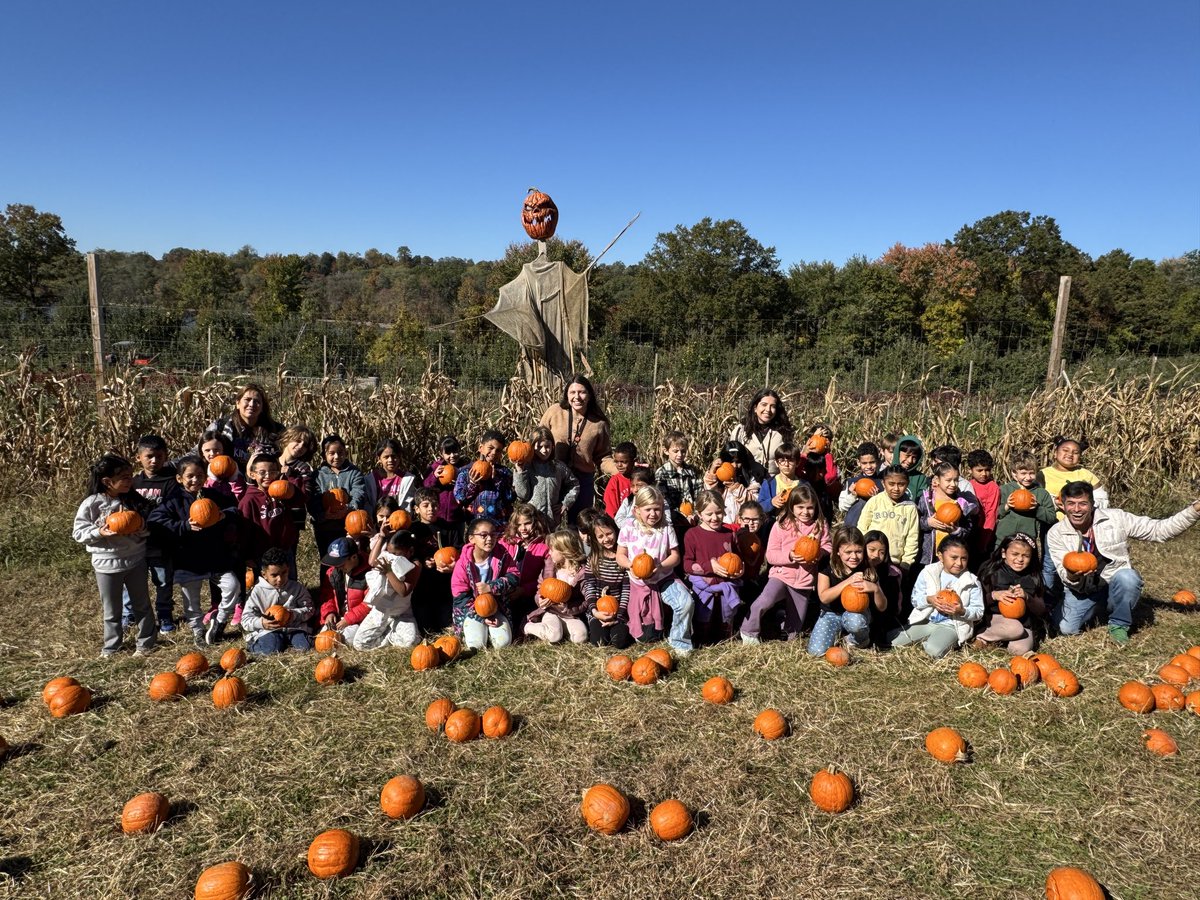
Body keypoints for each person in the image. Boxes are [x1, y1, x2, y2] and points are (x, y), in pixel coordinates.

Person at [1047, 481, 1200, 644]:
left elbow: (1159, 530)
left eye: (1083, 504)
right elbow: (1064, 575)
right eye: (1071, 504)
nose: (1076, 510)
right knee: (1066, 629)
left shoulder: (1115, 518)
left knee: (1129, 578)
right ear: (1063, 505)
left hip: (1114, 580)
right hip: (1081, 590)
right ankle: (1103, 609)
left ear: (1092, 504)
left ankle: (1119, 623)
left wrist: (1195, 510)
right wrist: (1072, 574)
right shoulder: (1056, 533)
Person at [147, 455, 241, 647]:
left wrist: (225, 514)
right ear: (179, 478)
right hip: (188, 559)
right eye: (190, 476)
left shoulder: (212, 495)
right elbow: (155, 521)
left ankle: (220, 620)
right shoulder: (173, 500)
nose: (195, 480)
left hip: (215, 555)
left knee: (233, 586)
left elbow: (235, 509)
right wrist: (184, 526)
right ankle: (198, 630)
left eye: (199, 475)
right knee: (192, 601)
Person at [73, 454, 156, 658]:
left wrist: (140, 528)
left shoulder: (132, 500)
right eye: (125, 477)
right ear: (107, 481)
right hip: (106, 565)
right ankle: (111, 646)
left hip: (135, 559)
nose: (130, 480)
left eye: (130, 476)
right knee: (112, 610)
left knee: (142, 604)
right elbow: (78, 533)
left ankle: (146, 642)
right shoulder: (91, 504)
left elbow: (147, 529)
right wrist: (98, 532)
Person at [739, 484, 830, 644]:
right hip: (780, 575)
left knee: (794, 629)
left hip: (804, 580)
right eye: (800, 507)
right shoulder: (781, 524)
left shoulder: (820, 525)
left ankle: (784, 625)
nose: (805, 512)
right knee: (764, 601)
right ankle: (749, 630)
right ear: (791, 506)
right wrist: (790, 556)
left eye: (810, 508)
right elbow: (771, 555)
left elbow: (827, 545)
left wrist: (820, 553)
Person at [616, 485, 695, 653]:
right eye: (648, 509)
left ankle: (679, 640)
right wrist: (631, 565)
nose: (653, 514)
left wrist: (660, 566)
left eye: (657, 509)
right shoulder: (629, 527)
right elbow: (620, 555)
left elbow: (675, 556)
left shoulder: (666, 527)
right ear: (637, 509)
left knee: (686, 602)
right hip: (639, 583)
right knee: (647, 637)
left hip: (663, 578)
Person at [1039, 435, 1109, 597]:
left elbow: (1101, 499)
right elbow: (1038, 497)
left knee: (1079, 562)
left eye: (1075, 452)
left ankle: (1076, 593)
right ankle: (1048, 597)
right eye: (1065, 450)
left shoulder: (1086, 474)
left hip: (1082, 528)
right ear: (1055, 453)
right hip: (1054, 526)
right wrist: (1054, 502)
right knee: (1050, 563)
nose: (1070, 454)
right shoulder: (1044, 474)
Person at [890, 537, 982, 659]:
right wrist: (929, 600)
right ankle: (927, 637)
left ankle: (936, 641)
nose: (959, 563)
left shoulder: (971, 581)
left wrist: (962, 611)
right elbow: (915, 599)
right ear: (940, 556)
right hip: (927, 620)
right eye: (954, 558)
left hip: (952, 626)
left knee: (934, 651)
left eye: (963, 558)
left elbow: (979, 611)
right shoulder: (928, 573)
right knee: (893, 642)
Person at [540, 375, 613, 524]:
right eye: (572, 392)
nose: (577, 397)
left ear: (590, 395)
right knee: (548, 523)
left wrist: (621, 470)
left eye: (582, 392)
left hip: (582, 479)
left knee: (581, 526)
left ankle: (580, 547)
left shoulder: (599, 423)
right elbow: (538, 439)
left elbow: (603, 457)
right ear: (566, 394)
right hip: (553, 476)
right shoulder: (554, 412)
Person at [808, 526, 883, 655]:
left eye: (858, 551)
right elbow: (824, 597)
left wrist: (875, 589)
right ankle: (838, 635)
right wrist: (848, 581)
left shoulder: (867, 567)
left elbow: (882, 607)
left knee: (856, 622)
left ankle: (856, 641)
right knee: (816, 652)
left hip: (857, 614)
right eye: (848, 552)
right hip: (830, 614)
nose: (854, 556)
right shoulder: (827, 564)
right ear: (837, 551)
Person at [131, 434, 178, 632]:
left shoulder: (170, 482)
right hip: (136, 543)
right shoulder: (133, 483)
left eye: (159, 456)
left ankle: (165, 614)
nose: (154, 460)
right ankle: (130, 614)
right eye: (149, 456)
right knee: (133, 582)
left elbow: (172, 509)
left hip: (161, 542)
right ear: (138, 457)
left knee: (163, 581)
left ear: (166, 456)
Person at [450, 517, 519, 650]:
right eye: (483, 535)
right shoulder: (463, 563)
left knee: (503, 643)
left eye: (493, 534)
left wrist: (492, 587)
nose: (489, 539)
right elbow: (460, 597)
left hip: (497, 606)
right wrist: (481, 617)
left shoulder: (502, 555)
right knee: (475, 645)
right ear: (471, 539)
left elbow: (514, 576)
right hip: (471, 610)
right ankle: (479, 629)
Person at [682, 490, 741, 643]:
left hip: (725, 584)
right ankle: (702, 638)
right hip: (704, 587)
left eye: (719, 513)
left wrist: (740, 570)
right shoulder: (692, 534)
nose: (715, 518)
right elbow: (687, 564)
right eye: (709, 514)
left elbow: (737, 558)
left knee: (724, 621)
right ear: (699, 514)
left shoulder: (729, 533)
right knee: (704, 622)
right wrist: (709, 566)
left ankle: (725, 636)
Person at [972, 534, 1046, 655]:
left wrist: (1027, 597)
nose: (1020, 559)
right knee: (1014, 629)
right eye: (1015, 554)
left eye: (1026, 556)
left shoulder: (1033, 577)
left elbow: (1041, 610)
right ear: (1003, 553)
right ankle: (983, 636)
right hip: (995, 618)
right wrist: (994, 595)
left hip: (1023, 622)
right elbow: (975, 602)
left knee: (1019, 650)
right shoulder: (991, 571)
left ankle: (998, 640)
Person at [238, 451, 307, 574]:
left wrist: (291, 477)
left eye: (273, 472)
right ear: (252, 475)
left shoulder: (283, 491)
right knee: (266, 587)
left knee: (289, 582)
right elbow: (244, 529)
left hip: (285, 548)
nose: (268, 476)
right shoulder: (249, 500)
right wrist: (247, 555)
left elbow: (300, 499)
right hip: (262, 553)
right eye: (262, 472)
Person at [352, 530, 421, 650]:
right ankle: (385, 637)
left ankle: (391, 636)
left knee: (410, 642)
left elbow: (403, 591)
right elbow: (372, 562)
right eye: (390, 553)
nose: (392, 557)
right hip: (381, 610)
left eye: (396, 554)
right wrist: (382, 537)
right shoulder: (387, 557)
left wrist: (388, 572)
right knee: (359, 644)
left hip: (401, 613)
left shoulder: (414, 565)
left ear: (410, 551)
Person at [242, 546, 314, 654]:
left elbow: (310, 608)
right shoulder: (256, 592)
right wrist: (262, 623)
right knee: (270, 650)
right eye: (274, 575)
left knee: (305, 647)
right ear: (264, 574)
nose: (279, 579)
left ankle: (288, 641)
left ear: (288, 570)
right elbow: (246, 620)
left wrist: (293, 615)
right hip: (268, 630)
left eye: (283, 573)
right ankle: (255, 646)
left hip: (294, 628)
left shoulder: (296, 588)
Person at [526, 530, 589, 644]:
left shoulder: (582, 573)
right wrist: (540, 599)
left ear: (564, 551)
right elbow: (540, 589)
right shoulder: (550, 570)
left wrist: (569, 607)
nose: (549, 553)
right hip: (551, 611)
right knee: (554, 636)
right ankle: (528, 627)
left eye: (552, 550)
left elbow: (586, 600)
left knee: (581, 637)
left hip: (570, 615)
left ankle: (560, 630)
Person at [314, 434, 368, 562]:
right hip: (325, 527)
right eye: (332, 453)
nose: (337, 457)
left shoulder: (354, 472)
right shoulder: (318, 475)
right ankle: (328, 582)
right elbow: (313, 498)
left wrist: (349, 509)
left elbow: (359, 493)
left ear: (345, 453)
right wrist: (323, 515)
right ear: (324, 455)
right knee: (328, 560)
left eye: (340, 452)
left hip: (349, 526)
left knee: (349, 560)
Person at [203, 383, 283, 470]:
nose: (252, 404)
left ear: (262, 407)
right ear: (237, 403)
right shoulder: (220, 427)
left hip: (264, 480)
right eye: (247, 399)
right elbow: (197, 452)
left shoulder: (276, 430)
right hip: (227, 479)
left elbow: (289, 455)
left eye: (257, 401)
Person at [581, 514, 632, 648]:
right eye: (601, 536)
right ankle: (596, 626)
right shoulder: (593, 559)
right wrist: (595, 612)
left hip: (618, 611)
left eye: (609, 533)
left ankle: (620, 628)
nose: (606, 539)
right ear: (595, 539)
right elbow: (589, 587)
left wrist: (619, 615)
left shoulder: (623, 558)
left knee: (619, 642)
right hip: (598, 611)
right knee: (599, 642)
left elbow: (626, 590)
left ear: (616, 531)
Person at [512, 427, 579, 529]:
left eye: (547, 446)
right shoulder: (527, 467)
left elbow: (574, 484)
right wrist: (520, 472)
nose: (544, 450)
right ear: (532, 446)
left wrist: (565, 503)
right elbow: (523, 495)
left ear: (553, 446)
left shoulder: (558, 467)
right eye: (539, 446)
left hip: (553, 521)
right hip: (532, 521)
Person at [498, 502, 550, 631]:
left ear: (535, 522)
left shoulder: (544, 546)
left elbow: (545, 578)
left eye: (527, 523)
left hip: (528, 594)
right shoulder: (505, 542)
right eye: (519, 525)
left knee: (522, 620)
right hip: (505, 592)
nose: (523, 528)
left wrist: (524, 590)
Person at [916, 462, 980, 565]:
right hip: (928, 557)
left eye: (956, 480)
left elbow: (968, 529)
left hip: (952, 558)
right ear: (937, 480)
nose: (953, 484)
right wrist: (928, 522)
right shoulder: (925, 499)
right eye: (948, 480)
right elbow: (915, 522)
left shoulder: (961, 503)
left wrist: (955, 531)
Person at [453, 429, 515, 526]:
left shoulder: (505, 473)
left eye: (498, 450)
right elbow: (460, 499)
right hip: (476, 526)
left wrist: (497, 481)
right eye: (490, 448)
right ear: (481, 448)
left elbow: (510, 498)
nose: (494, 452)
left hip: (500, 526)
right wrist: (473, 484)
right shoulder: (466, 471)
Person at [730, 388, 794, 481]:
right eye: (764, 405)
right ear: (755, 408)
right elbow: (730, 459)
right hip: (745, 486)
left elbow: (791, 460)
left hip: (774, 486)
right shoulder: (740, 431)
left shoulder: (783, 433)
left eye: (772, 406)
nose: (768, 409)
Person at [994, 452, 1058, 546]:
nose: (1028, 477)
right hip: (1003, 540)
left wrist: (1037, 508)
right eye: (1023, 473)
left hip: (1028, 541)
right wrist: (1006, 506)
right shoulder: (1005, 490)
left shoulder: (1041, 493)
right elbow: (995, 514)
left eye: (1032, 473)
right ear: (1014, 473)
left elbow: (1051, 518)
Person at [316, 536, 371, 644]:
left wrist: (348, 619)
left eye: (340, 563)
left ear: (354, 557)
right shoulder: (333, 573)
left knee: (343, 640)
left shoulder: (369, 575)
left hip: (358, 620)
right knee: (323, 638)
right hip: (338, 617)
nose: (337, 567)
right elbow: (327, 596)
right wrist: (329, 613)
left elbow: (368, 604)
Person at [655, 432, 705, 529]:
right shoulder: (661, 473)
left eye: (683, 451)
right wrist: (682, 516)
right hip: (672, 520)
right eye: (675, 451)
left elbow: (699, 495)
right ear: (666, 451)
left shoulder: (692, 471)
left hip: (693, 517)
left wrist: (694, 513)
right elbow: (664, 500)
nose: (680, 455)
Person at [863, 530, 903, 648]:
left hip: (882, 617)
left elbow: (892, 607)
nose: (876, 555)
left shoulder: (892, 573)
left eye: (882, 552)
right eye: (872, 550)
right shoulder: (856, 568)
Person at [421, 435, 466, 534]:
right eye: (448, 453)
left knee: (456, 544)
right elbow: (425, 487)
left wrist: (460, 485)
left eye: (455, 451)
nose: (452, 455)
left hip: (457, 517)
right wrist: (434, 476)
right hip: (438, 516)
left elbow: (471, 490)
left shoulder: (465, 468)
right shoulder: (436, 467)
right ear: (441, 454)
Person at [837, 442, 884, 530]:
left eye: (872, 462)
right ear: (858, 462)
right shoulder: (851, 482)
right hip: (853, 529)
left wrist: (877, 499)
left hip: (873, 529)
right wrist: (852, 496)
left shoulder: (883, 483)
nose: (869, 466)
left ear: (878, 461)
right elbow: (842, 507)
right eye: (864, 463)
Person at [366, 437, 418, 512]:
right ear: (379, 459)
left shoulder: (407, 480)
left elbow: (407, 508)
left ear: (399, 457)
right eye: (386, 457)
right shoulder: (371, 480)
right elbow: (368, 505)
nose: (390, 460)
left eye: (394, 456)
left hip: (399, 520)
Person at [967, 449, 1000, 560]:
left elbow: (991, 514)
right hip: (968, 531)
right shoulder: (967, 485)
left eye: (987, 470)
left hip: (983, 533)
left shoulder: (992, 487)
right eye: (979, 470)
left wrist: (984, 542)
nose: (984, 474)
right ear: (970, 470)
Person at [756, 443, 800, 525]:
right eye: (782, 461)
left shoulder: (803, 485)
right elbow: (759, 506)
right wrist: (771, 502)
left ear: (797, 463)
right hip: (774, 525)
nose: (786, 464)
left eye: (790, 460)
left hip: (797, 524)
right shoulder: (769, 483)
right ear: (776, 463)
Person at [602, 441, 638, 517]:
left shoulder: (642, 478)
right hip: (620, 525)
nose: (619, 465)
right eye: (616, 462)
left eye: (623, 462)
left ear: (634, 461)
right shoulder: (614, 482)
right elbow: (611, 512)